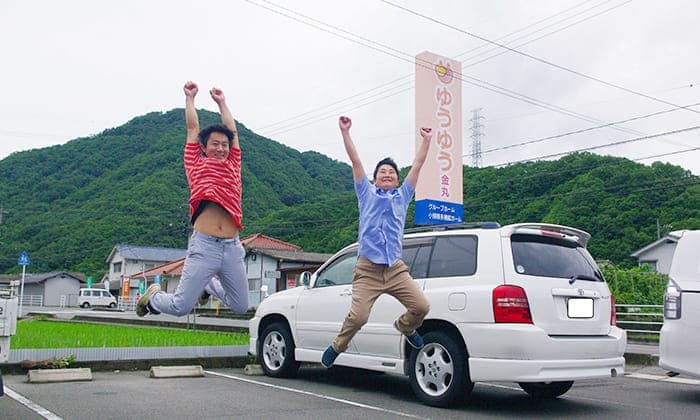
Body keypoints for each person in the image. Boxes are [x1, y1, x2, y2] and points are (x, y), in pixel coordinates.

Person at [321, 116, 433, 368]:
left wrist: (426, 140)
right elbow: (356, 160)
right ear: (373, 179)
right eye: (382, 172)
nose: (387, 174)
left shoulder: (403, 196)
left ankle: (405, 326)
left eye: (391, 172)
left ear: (397, 179)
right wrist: (345, 132)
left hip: (395, 269)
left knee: (422, 306)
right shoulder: (365, 193)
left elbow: (417, 165)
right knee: (359, 317)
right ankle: (337, 346)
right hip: (368, 270)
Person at [136, 81, 248, 317]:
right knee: (180, 307)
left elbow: (232, 130)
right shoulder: (195, 163)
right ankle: (154, 297)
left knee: (240, 306)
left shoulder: (233, 164)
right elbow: (192, 127)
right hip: (204, 245)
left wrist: (222, 102)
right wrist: (190, 98)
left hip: (232, 247)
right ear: (204, 147)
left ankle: (209, 284)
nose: (220, 148)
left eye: (224, 145)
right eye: (215, 144)